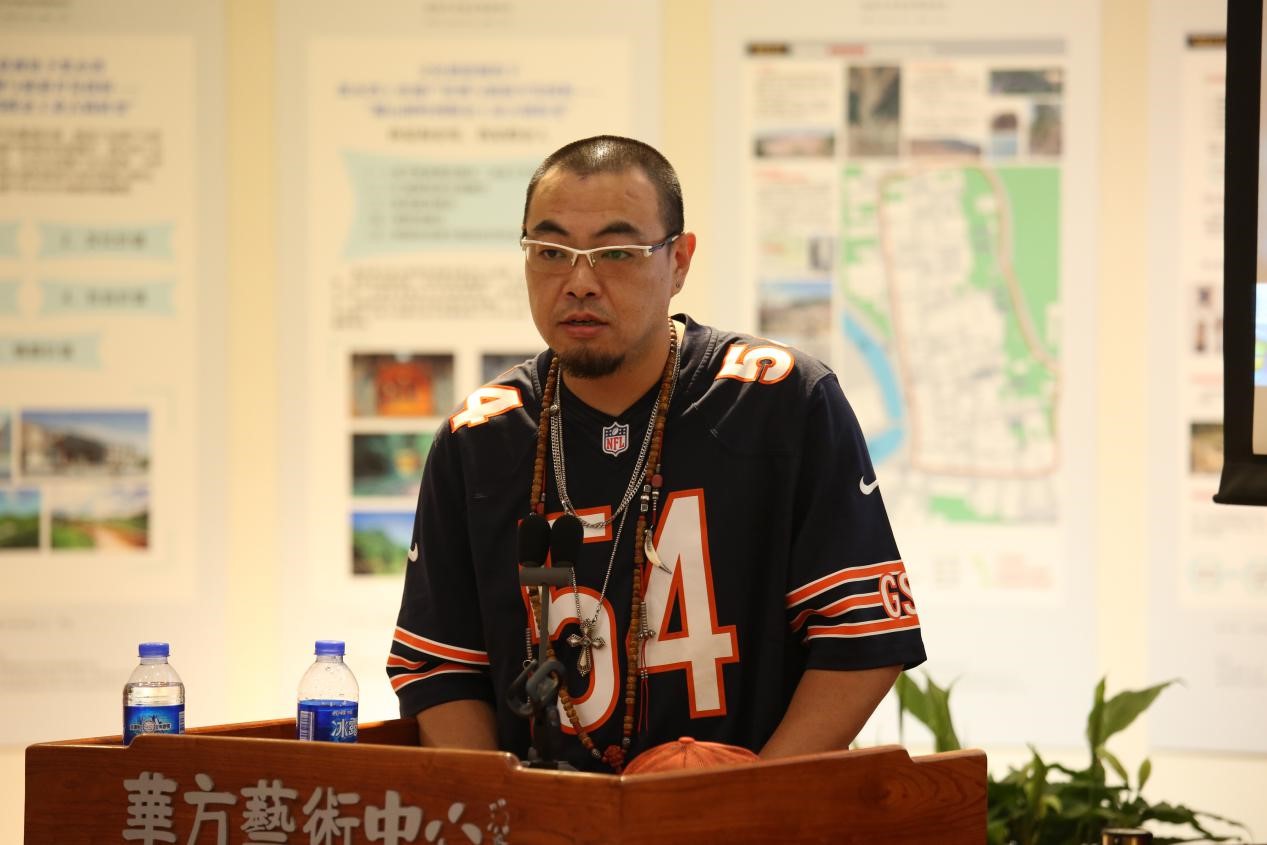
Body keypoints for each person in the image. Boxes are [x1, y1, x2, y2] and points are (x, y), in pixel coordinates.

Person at [387, 135, 925, 773]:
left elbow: (860, 637)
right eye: (551, 252)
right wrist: (506, 810)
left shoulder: (778, 401)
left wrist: (750, 803)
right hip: (546, 816)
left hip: (750, 810)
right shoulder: (478, 437)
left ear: (680, 261)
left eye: (616, 252)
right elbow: (441, 667)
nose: (579, 282)